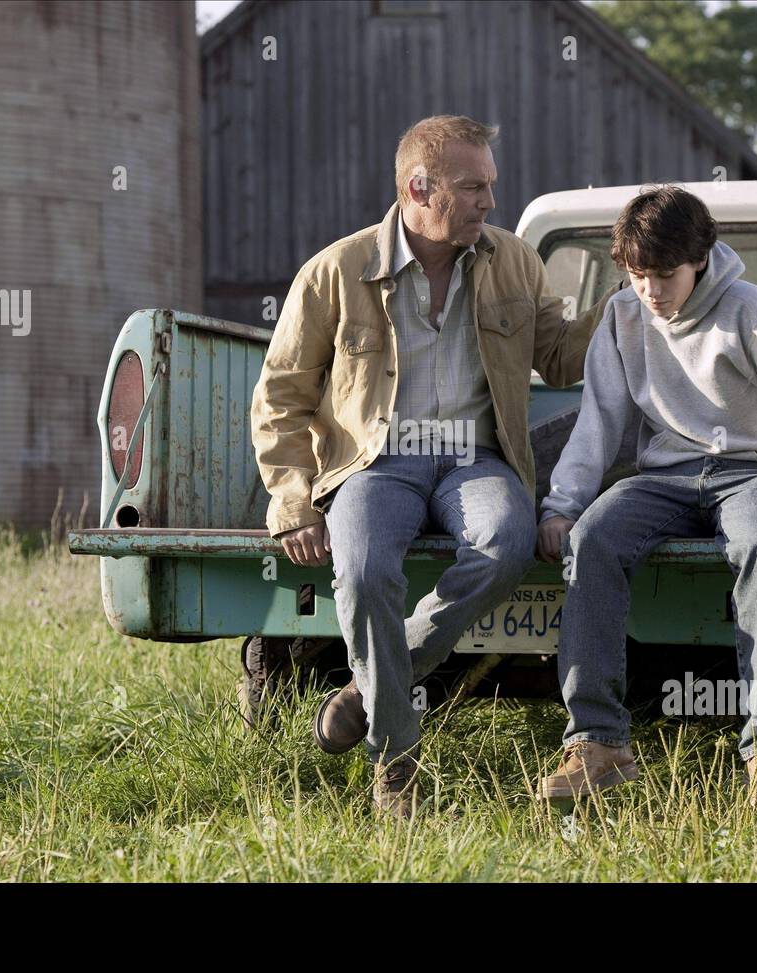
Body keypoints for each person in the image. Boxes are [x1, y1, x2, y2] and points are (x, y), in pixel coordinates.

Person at [250, 115, 620, 819]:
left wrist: (627, 291)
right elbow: (280, 396)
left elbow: (564, 357)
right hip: (375, 464)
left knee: (506, 542)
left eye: (492, 186)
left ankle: (369, 691)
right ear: (421, 187)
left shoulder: (513, 260)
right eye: (474, 187)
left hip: (474, 459)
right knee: (361, 571)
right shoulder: (337, 270)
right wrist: (293, 498)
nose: (490, 201)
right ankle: (395, 764)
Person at [535, 185, 757, 810]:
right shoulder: (622, 317)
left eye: (664, 275)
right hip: (667, 475)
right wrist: (562, 505)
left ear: (701, 258)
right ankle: (598, 744)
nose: (652, 292)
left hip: (754, 472)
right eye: (637, 277)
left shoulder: (749, 309)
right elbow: (599, 421)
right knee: (591, 539)